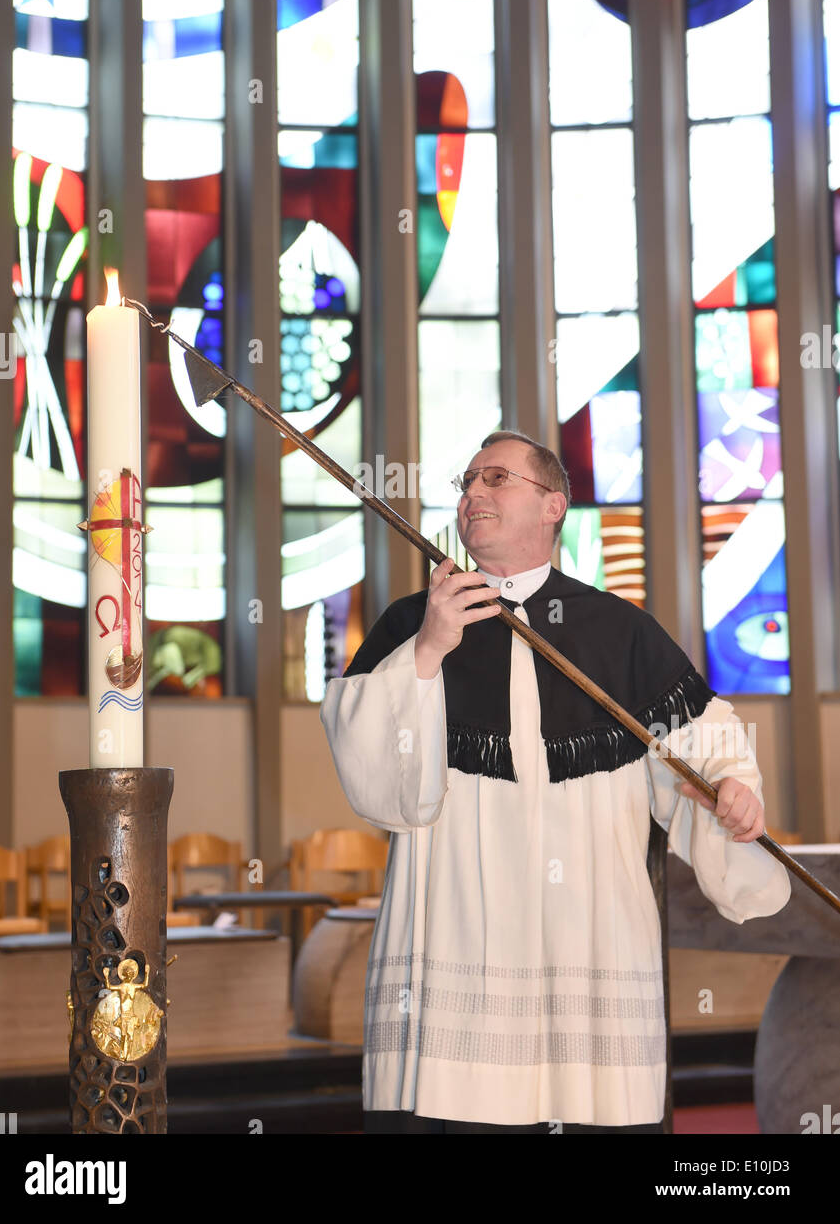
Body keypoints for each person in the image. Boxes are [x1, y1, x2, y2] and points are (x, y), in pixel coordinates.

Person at [320, 430, 791, 1134]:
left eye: (497, 479)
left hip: (590, 939)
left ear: (553, 506)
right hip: (453, 935)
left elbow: (706, 752)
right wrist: (428, 650)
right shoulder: (409, 625)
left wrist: (729, 792)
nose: (472, 492)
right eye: (467, 480)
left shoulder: (620, 633)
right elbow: (379, 788)